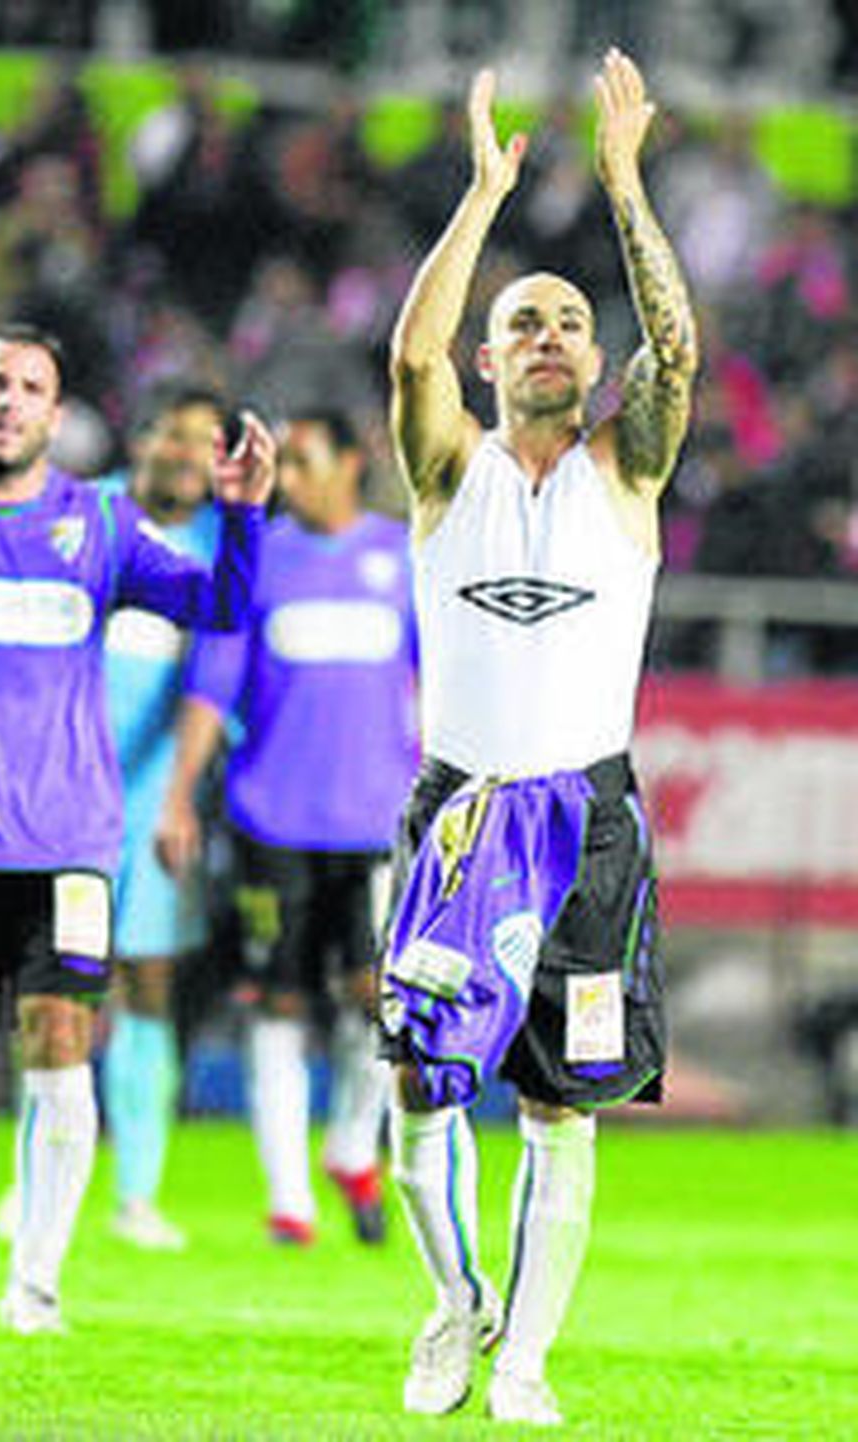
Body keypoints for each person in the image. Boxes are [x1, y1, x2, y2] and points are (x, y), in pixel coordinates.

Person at [0, 325, 275, 1334]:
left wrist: (244, 516)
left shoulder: (98, 522)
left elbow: (219, 600)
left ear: (56, 412)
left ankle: (34, 1278)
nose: (6, 400)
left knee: (60, 1041)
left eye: (28, 386)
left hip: (67, 843)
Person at [381, 52, 696, 1424]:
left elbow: (674, 351)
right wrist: (483, 194)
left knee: (558, 1107)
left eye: (571, 319)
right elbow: (409, 353)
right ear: (494, 357)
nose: (555, 334)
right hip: (460, 810)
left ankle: (522, 1361)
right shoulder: (446, 469)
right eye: (527, 321)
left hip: (586, 818)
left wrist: (623, 183)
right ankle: (458, 1300)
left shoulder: (628, 472)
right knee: (416, 1085)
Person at [160, 410, 418, 1249]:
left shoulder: (402, 559)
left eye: (304, 460)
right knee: (275, 1006)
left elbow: (444, 681)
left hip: (376, 822)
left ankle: (349, 1145)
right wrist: (176, 798)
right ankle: (289, 1202)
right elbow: (211, 685)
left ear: (352, 462)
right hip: (272, 818)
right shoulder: (259, 558)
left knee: (376, 1003)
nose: (291, 477)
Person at [96, 382, 227, 1252]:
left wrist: (179, 792)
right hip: (53, 788)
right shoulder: (88, 517)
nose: (187, 455)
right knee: (53, 989)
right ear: (140, 437)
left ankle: (137, 1192)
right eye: (174, 435)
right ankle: (47, 1184)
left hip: (148, 800)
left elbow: (212, 683)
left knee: (146, 982)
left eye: (206, 444)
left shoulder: (221, 548)